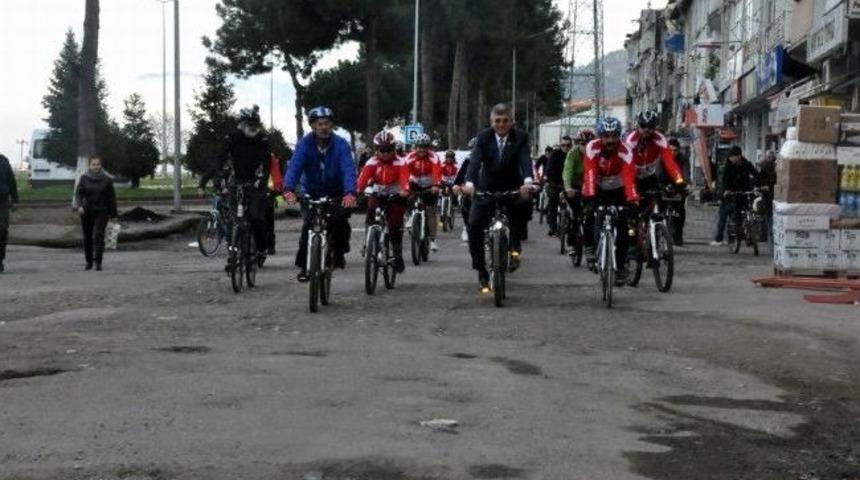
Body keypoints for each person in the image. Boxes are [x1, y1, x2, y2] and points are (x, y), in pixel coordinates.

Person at [463, 103, 533, 292]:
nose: (501, 125)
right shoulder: (483, 137)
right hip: (486, 187)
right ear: (491, 122)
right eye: (497, 121)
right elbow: (475, 161)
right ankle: (481, 271)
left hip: (513, 185)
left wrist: (527, 180)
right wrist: (469, 183)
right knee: (475, 225)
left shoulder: (520, 137)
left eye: (505, 121)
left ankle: (515, 244)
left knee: (523, 207)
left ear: (512, 122)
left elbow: (525, 160)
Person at [283, 106, 357, 282]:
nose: (324, 127)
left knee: (340, 221)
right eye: (320, 124)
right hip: (311, 192)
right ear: (313, 126)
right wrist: (288, 189)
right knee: (308, 225)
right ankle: (304, 266)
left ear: (332, 126)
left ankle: (338, 254)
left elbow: (348, 169)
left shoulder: (341, 144)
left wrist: (349, 193)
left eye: (327, 124)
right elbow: (294, 167)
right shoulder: (304, 144)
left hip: (337, 192)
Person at [582, 117, 639, 277]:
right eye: (606, 136)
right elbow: (590, 173)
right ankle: (590, 248)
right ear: (600, 136)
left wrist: (633, 200)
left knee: (623, 227)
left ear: (619, 136)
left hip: (618, 188)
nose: (610, 140)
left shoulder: (625, 150)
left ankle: (620, 266)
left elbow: (629, 178)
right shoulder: (592, 147)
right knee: (590, 216)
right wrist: (590, 197)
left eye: (614, 136)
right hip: (597, 186)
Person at [220, 106, 271, 263]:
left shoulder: (262, 139)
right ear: (241, 124)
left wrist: (261, 179)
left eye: (256, 122)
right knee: (234, 220)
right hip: (237, 183)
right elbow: (221, 157)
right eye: (249, 122)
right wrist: (220, 177)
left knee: (257, 218)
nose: (253, 125)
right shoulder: (232, 138)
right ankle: (233, 252)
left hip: (255, 184)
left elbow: (266, 161)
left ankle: (261, 248)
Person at [357, 130, 409, 273]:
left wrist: (404, 190)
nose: (385, 153)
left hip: (396, 193)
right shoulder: (371, 162)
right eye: (382, 150)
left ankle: (397, 254)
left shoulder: (401, 161)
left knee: (394, 225)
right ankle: (368, 243)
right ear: (376, 150)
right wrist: (355, 191)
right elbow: (362, 180)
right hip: (378, 191)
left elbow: (405, 178)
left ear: (394, 149)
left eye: (389, 150)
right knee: (371, 210)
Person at [74, 156, 118, 271]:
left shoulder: (107, 179)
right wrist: (79, 206)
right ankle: (88, 262)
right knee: (87, 237)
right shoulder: (84, 178)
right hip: (86, 211)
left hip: (102, 211)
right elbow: (78, 194)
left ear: (101, 165)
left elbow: (111, 198)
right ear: (89, 165)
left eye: (98, 164)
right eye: (93, 164)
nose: (96, 166)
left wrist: (114, 215)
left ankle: (98, 262)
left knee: (98, 236)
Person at [710, 145, 758, 246]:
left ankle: (746, 233)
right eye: (730, 157)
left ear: (739, 156)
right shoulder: (727, 165)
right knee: (723, 215)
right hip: (730, 193)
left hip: (744, 191)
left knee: (746, 211)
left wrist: (758, 186)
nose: (731, 159)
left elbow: (756, 174)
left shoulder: (747, 164)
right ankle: (719, 239)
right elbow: (724, 179)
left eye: (733, 157)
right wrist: (726, 190)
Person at [405, 133, 442, 253]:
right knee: (407, 197)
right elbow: (403, 172)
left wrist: (436, 185)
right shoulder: (410, 157)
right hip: (415, 182)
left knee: (430, 211)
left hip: (430, 185)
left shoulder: (433, 157)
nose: (422, 149)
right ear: (415, 147)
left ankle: (432, 240)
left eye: (424, 147)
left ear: (428, 147)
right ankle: (410, 217)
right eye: (419, 146)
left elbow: (437, 172)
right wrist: (405, 187)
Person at [561, 129, 594, 252]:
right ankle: (572, 243)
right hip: (575, 187)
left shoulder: (596, 153)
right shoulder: (572, 154)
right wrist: (568, 187)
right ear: (577, 144)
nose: (585, 147)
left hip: (590, 186)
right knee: (575, 215)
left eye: (588, 144)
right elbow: (567, 171)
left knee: (593, 213)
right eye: (582, 144)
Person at [544, 136, 573, 236]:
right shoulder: (554, 154)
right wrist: (550, 182)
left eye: (568, 145)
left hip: (570, 185)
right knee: (552, 203)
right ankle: (553, 228)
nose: (565, 147)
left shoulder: (573, 154)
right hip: (555, 183)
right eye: (563, 145)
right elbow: (549, 169)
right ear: (560, 145)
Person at [452, 138, 476, 242]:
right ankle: (466, 227)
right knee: (465, 202)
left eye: (477, 148)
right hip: (470, 189)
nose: (474, 151)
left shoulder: (490, 158)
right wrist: (456, 185)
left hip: (487, 189)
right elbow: (460, 175)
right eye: (472, 149)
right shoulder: (468, 160)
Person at [666, 137, 689, 246]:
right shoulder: (662, 157)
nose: (673, 153)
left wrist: (685, 184)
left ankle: (678, 235)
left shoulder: (683, 159)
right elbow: (658, 172)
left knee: (679, 211)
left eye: (675, 150)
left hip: (678, 185)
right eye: (670, 150)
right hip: (664, 184)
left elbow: (685, 173)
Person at [0, 153, 19, 273]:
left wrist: (15, 199)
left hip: (2, 201)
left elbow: (11, 179)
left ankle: (0, 259)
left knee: (2, 230)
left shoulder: (3, 161)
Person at [758, 149, 777, 243]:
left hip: (770, 195)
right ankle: (770, 235)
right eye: (768, 156)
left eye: (770, 156)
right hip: (771, 195)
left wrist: (762, 186)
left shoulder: (765, 166)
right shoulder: (770, 166)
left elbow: (760, 179)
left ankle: (768, 235)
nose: (769, 158)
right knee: (769, 215)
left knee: (768, 215)